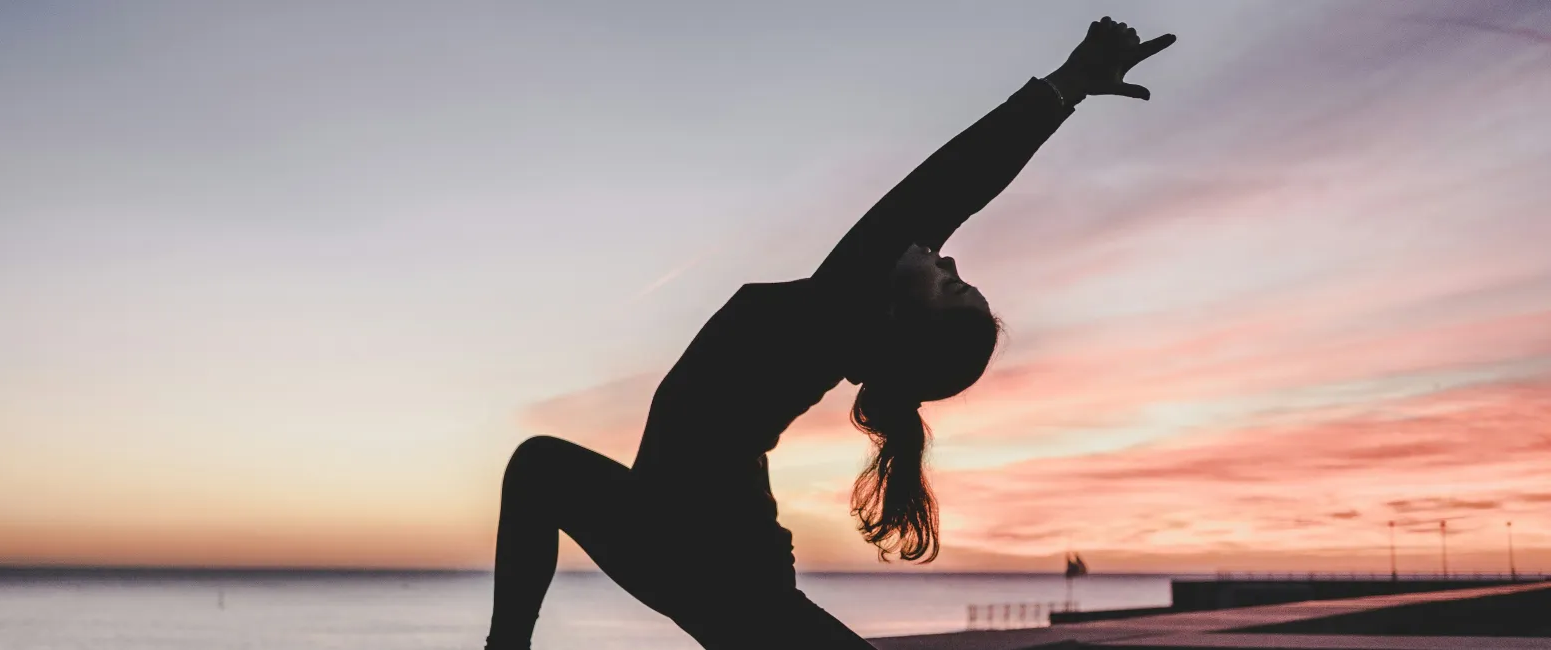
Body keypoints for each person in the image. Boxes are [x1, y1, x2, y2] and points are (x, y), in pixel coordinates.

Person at [485, 17, 1175, 650]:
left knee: (540, 465)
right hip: (680, 544)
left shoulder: (838, 310)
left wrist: (1067, 86)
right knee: (539, 465)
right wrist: (1067, 89)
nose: (949, 258)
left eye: (953, 285)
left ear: (901, 322)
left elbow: (949, 184)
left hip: (714, 567)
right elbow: (940, 201)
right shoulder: (845, 318)